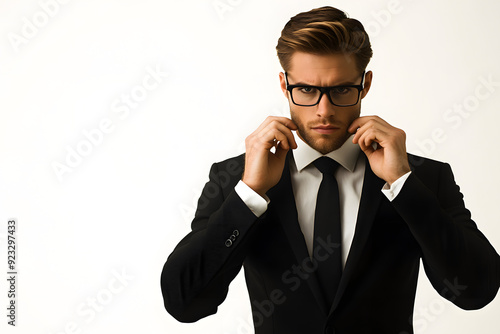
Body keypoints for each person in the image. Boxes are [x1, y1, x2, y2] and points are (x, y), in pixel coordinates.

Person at [160, 6, 500, 334]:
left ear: (365, 85)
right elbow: (185, 302)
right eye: (306, 89)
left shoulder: (423, 179)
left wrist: (403, 184)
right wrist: (249, 195)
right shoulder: (237, 179)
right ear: (284, 84)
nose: (324, 111)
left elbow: (476, 292)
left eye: (340, 90)